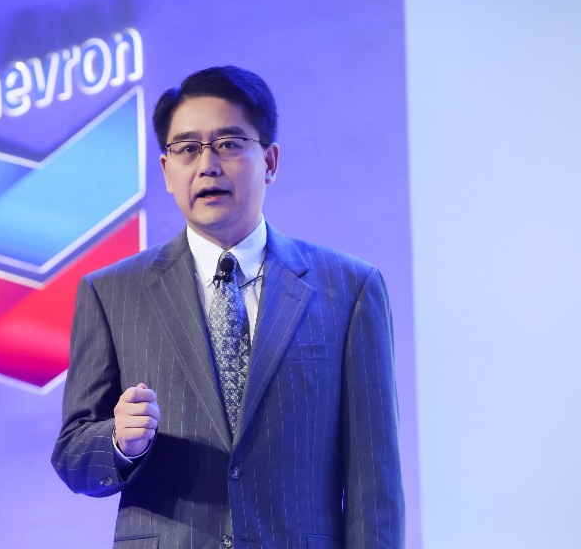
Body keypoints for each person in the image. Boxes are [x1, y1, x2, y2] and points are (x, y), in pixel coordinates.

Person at [52, 66, 404, 548]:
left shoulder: (350, 288)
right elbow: (73, 457)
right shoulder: (111, 292)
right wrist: (120, 442)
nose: (207, 165)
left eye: (229, 144)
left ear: (270, 161)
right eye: (187, 148)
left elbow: (375, 482)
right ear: (166, 171)